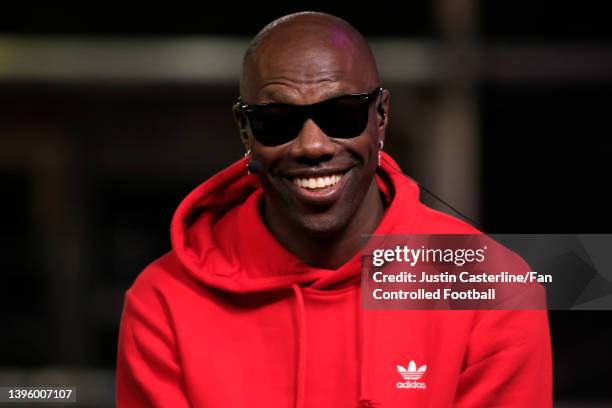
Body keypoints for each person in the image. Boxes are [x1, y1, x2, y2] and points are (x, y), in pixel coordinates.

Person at [116, 12, 552, 407]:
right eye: (278, 121)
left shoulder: (495, 291)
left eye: (341, 114)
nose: (313, 146)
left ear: (380, 117)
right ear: (245, 132)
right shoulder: (163, 303)